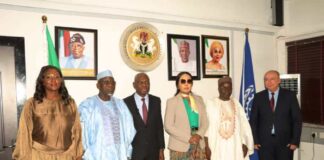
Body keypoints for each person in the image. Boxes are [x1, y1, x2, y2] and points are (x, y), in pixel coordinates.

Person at [12, 65, 83, 160]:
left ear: (61, 80)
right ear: (42, 81)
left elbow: (76, 130)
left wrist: (77, 154)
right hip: (39, 155)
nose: (54, 81)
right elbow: (24, 132)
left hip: (66, 156)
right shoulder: (32, 104)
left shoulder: (70, 103)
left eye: (57, 77)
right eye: (49, 77)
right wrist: (23, 156)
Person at [78, 69, 136, 160]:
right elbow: (80, 130)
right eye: (106, 82)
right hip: (96, 155)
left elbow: (130, 130)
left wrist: (127, 152)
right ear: (98, 85)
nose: (110, 85)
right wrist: (84, 152)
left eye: (113, 83)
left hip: (119, 154)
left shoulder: (121, 105)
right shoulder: (88, 105)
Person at [250, 70, 302, 160]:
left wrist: (295, 141)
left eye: (272, 79)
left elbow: (296, 120)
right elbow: (253, 120)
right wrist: (255, 140)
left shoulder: (290, 96)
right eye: (266, 79)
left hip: (285, 143)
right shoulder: (258, 97)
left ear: (279, 81)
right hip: (264, 143)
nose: (268, 82)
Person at [205, 76, 254, 160]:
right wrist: (206, 147)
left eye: (229, 87)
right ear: (218, 89)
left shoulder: (236, 104)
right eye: (223, 87)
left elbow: (244, 126)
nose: (226, 90)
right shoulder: (211, 104)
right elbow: (206, 126)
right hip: (216, 146)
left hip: (235, 147)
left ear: (231, 89)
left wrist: (245, 143)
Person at [164, 71, 208, 160]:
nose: (186, 84)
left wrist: (198, 135)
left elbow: (205, 122)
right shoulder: (172, 101)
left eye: (189, 81)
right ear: (177, 85)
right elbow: (168, 126)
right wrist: (189, 138)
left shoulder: (199, 99)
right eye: (183, 81)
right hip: (180, 147)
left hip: (198, 145)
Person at [124, 72, 165, 160]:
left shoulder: (156, 101)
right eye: (141, 82)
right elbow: (125, 130)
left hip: (153, 151)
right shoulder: (126, 103)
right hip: (135, 152)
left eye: (147, 82)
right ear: (134, 85)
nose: (145, 85)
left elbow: (159, 127)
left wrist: (161, 149)